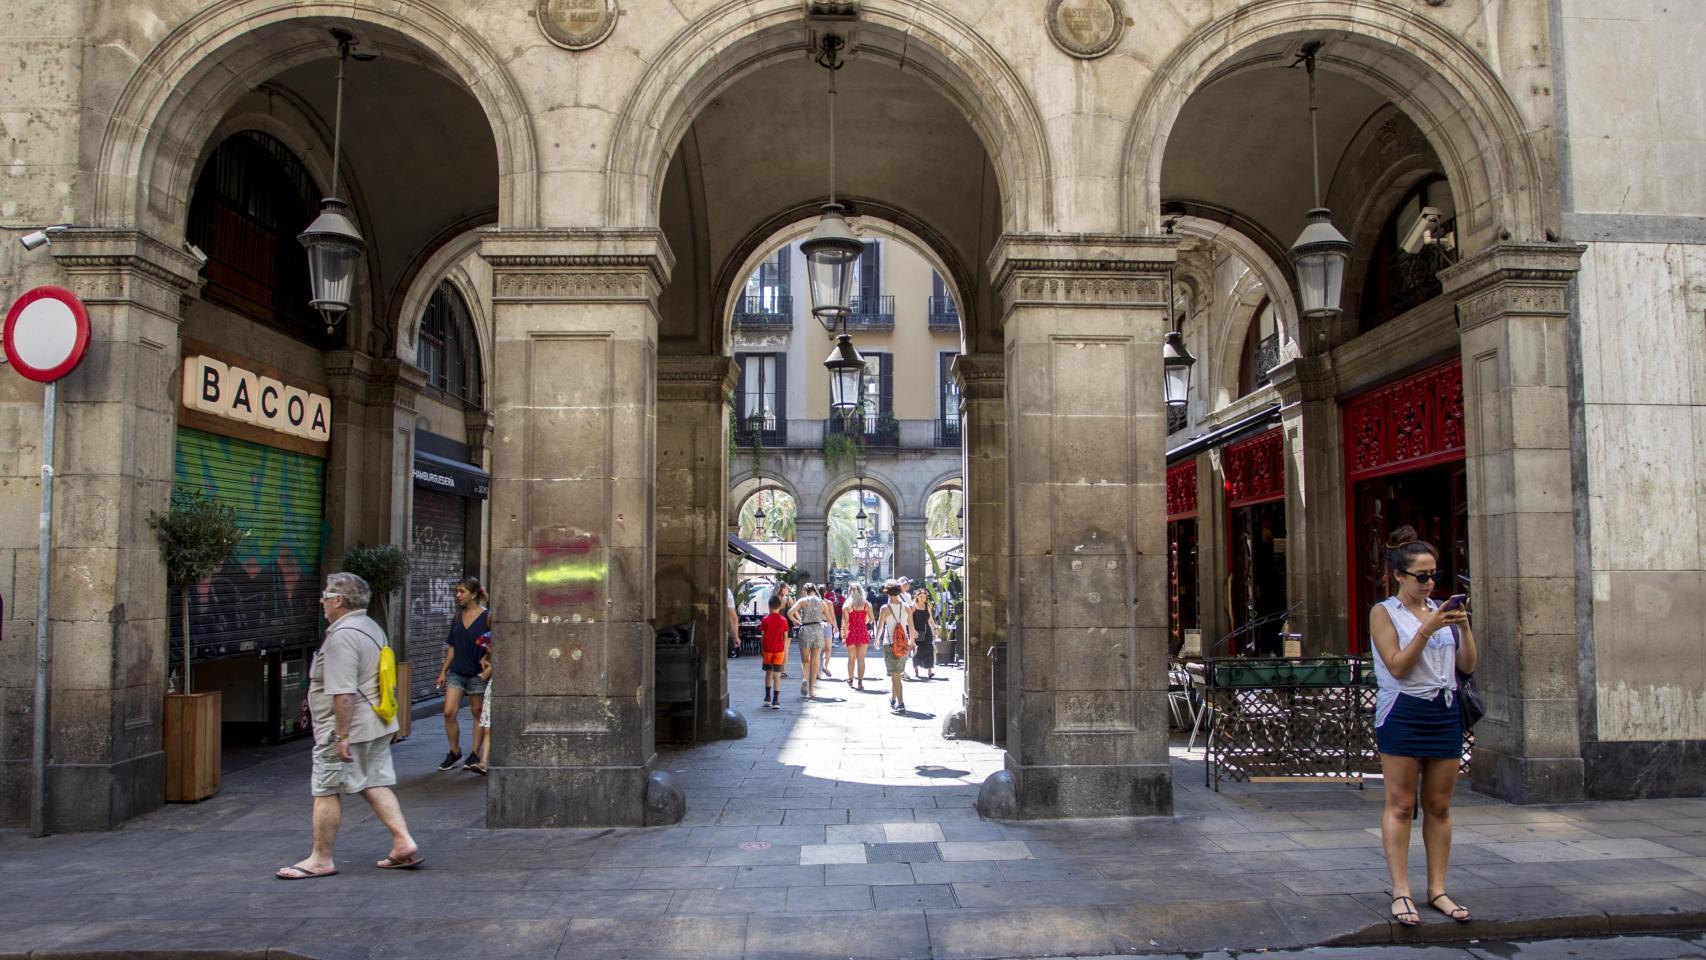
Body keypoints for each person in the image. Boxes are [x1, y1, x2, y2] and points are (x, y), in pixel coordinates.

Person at [276, 572, 421, 878]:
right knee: (373, 781)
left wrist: (340, 736)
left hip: (348, 727)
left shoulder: (342, 636)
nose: (322, 602)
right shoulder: (371, 627)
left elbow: (343, 693)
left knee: (326, 788)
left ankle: (321, 858)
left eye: (326, 597)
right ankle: (403, 842)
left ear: (338, 600)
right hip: (375, 722)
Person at [1369, 526, 1477, 928]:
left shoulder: (1440, 611)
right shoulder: (1384, 613)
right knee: (1400, 804)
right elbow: (1397, 665)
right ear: (1399, 575)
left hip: (1443, 710)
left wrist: (1463, 627)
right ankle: (1401, 891)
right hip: (1403, 710)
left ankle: (1438, 889)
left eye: (1433, 574)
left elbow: (1467, 666)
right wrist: (1427, 630)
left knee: (1439, 805)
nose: (1430, 582)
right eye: (1421, 576)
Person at [434, 577, 490, 771]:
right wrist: (443, 671)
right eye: (457, 591)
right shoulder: (457, 618)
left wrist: (487, 658)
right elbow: (453, 647)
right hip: (457, 671)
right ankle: (454, 751)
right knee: (449, 712)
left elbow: (494, 643)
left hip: (477, 673)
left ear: (473, 594)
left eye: (462, 591)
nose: (457, 595)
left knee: (477, 713)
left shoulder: (487, 617)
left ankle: (474, 754)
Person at [872, 581, 915, 714]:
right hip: (904, 643)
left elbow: (880, 626)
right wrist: (912, 641)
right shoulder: (907, 607)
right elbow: (911, 626)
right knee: (897, 672)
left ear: (887, 592)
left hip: (890, 643)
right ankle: (893, 698)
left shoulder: (885, 608)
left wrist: (877, 639)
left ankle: (901, 703)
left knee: (895, 673)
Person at [788, 583, 829, 699]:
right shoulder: (822, 602)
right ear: (815, 591)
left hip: (805, 629)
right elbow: (829, 618)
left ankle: (804, 679)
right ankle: (811, 690)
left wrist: (796, 621)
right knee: (815, 661)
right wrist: (825, 623)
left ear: (805, 591)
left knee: (805, 661)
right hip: (817, 630)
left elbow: (790, 612)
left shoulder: (802, 601)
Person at [464, 652, 493, 776]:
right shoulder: (487, 658)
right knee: (488, 729)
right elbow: (483, 676)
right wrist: (491, 664)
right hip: (492, 692)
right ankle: (483, 762)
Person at [759, 595, 789, 710]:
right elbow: (785, 636)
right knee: (777, 675)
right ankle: (775, 700)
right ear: (780, 606)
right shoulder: (783, 620)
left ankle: (767, 698)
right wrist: (784, 648)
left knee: (768, 673)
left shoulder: (765, 619)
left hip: (767, 649)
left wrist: (762, 648)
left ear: (769, 606)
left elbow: (762, 636)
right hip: (779, 650)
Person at [840, 582, 872, 691]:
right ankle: (860, 682)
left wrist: (843, 635)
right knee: (861, 660)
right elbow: (872, 619)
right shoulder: (866, 604)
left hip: (852, 632)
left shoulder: (847, 605)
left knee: (851, 659)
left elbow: (846, 622)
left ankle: (850, 679)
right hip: (863, 631)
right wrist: (865, 620)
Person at [910, 588, 939, 680]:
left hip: (927, 631)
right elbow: (909, 620)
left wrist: (935, 628)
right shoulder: (913, 606)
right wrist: (912, 630)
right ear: (917, 596)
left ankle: (930, 671)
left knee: (929, 648)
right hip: (917, 631)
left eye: (924, 597)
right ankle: (916, 670)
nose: (923, 598)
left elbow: (930, 619)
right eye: (921, 596)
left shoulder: (927, 606)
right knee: (917, 650)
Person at [727, 587, 741, 658]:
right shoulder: (726, 592)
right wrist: (736, 637)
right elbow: (733, 618)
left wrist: (736, 636)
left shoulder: (727, 592)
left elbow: (734, 618)